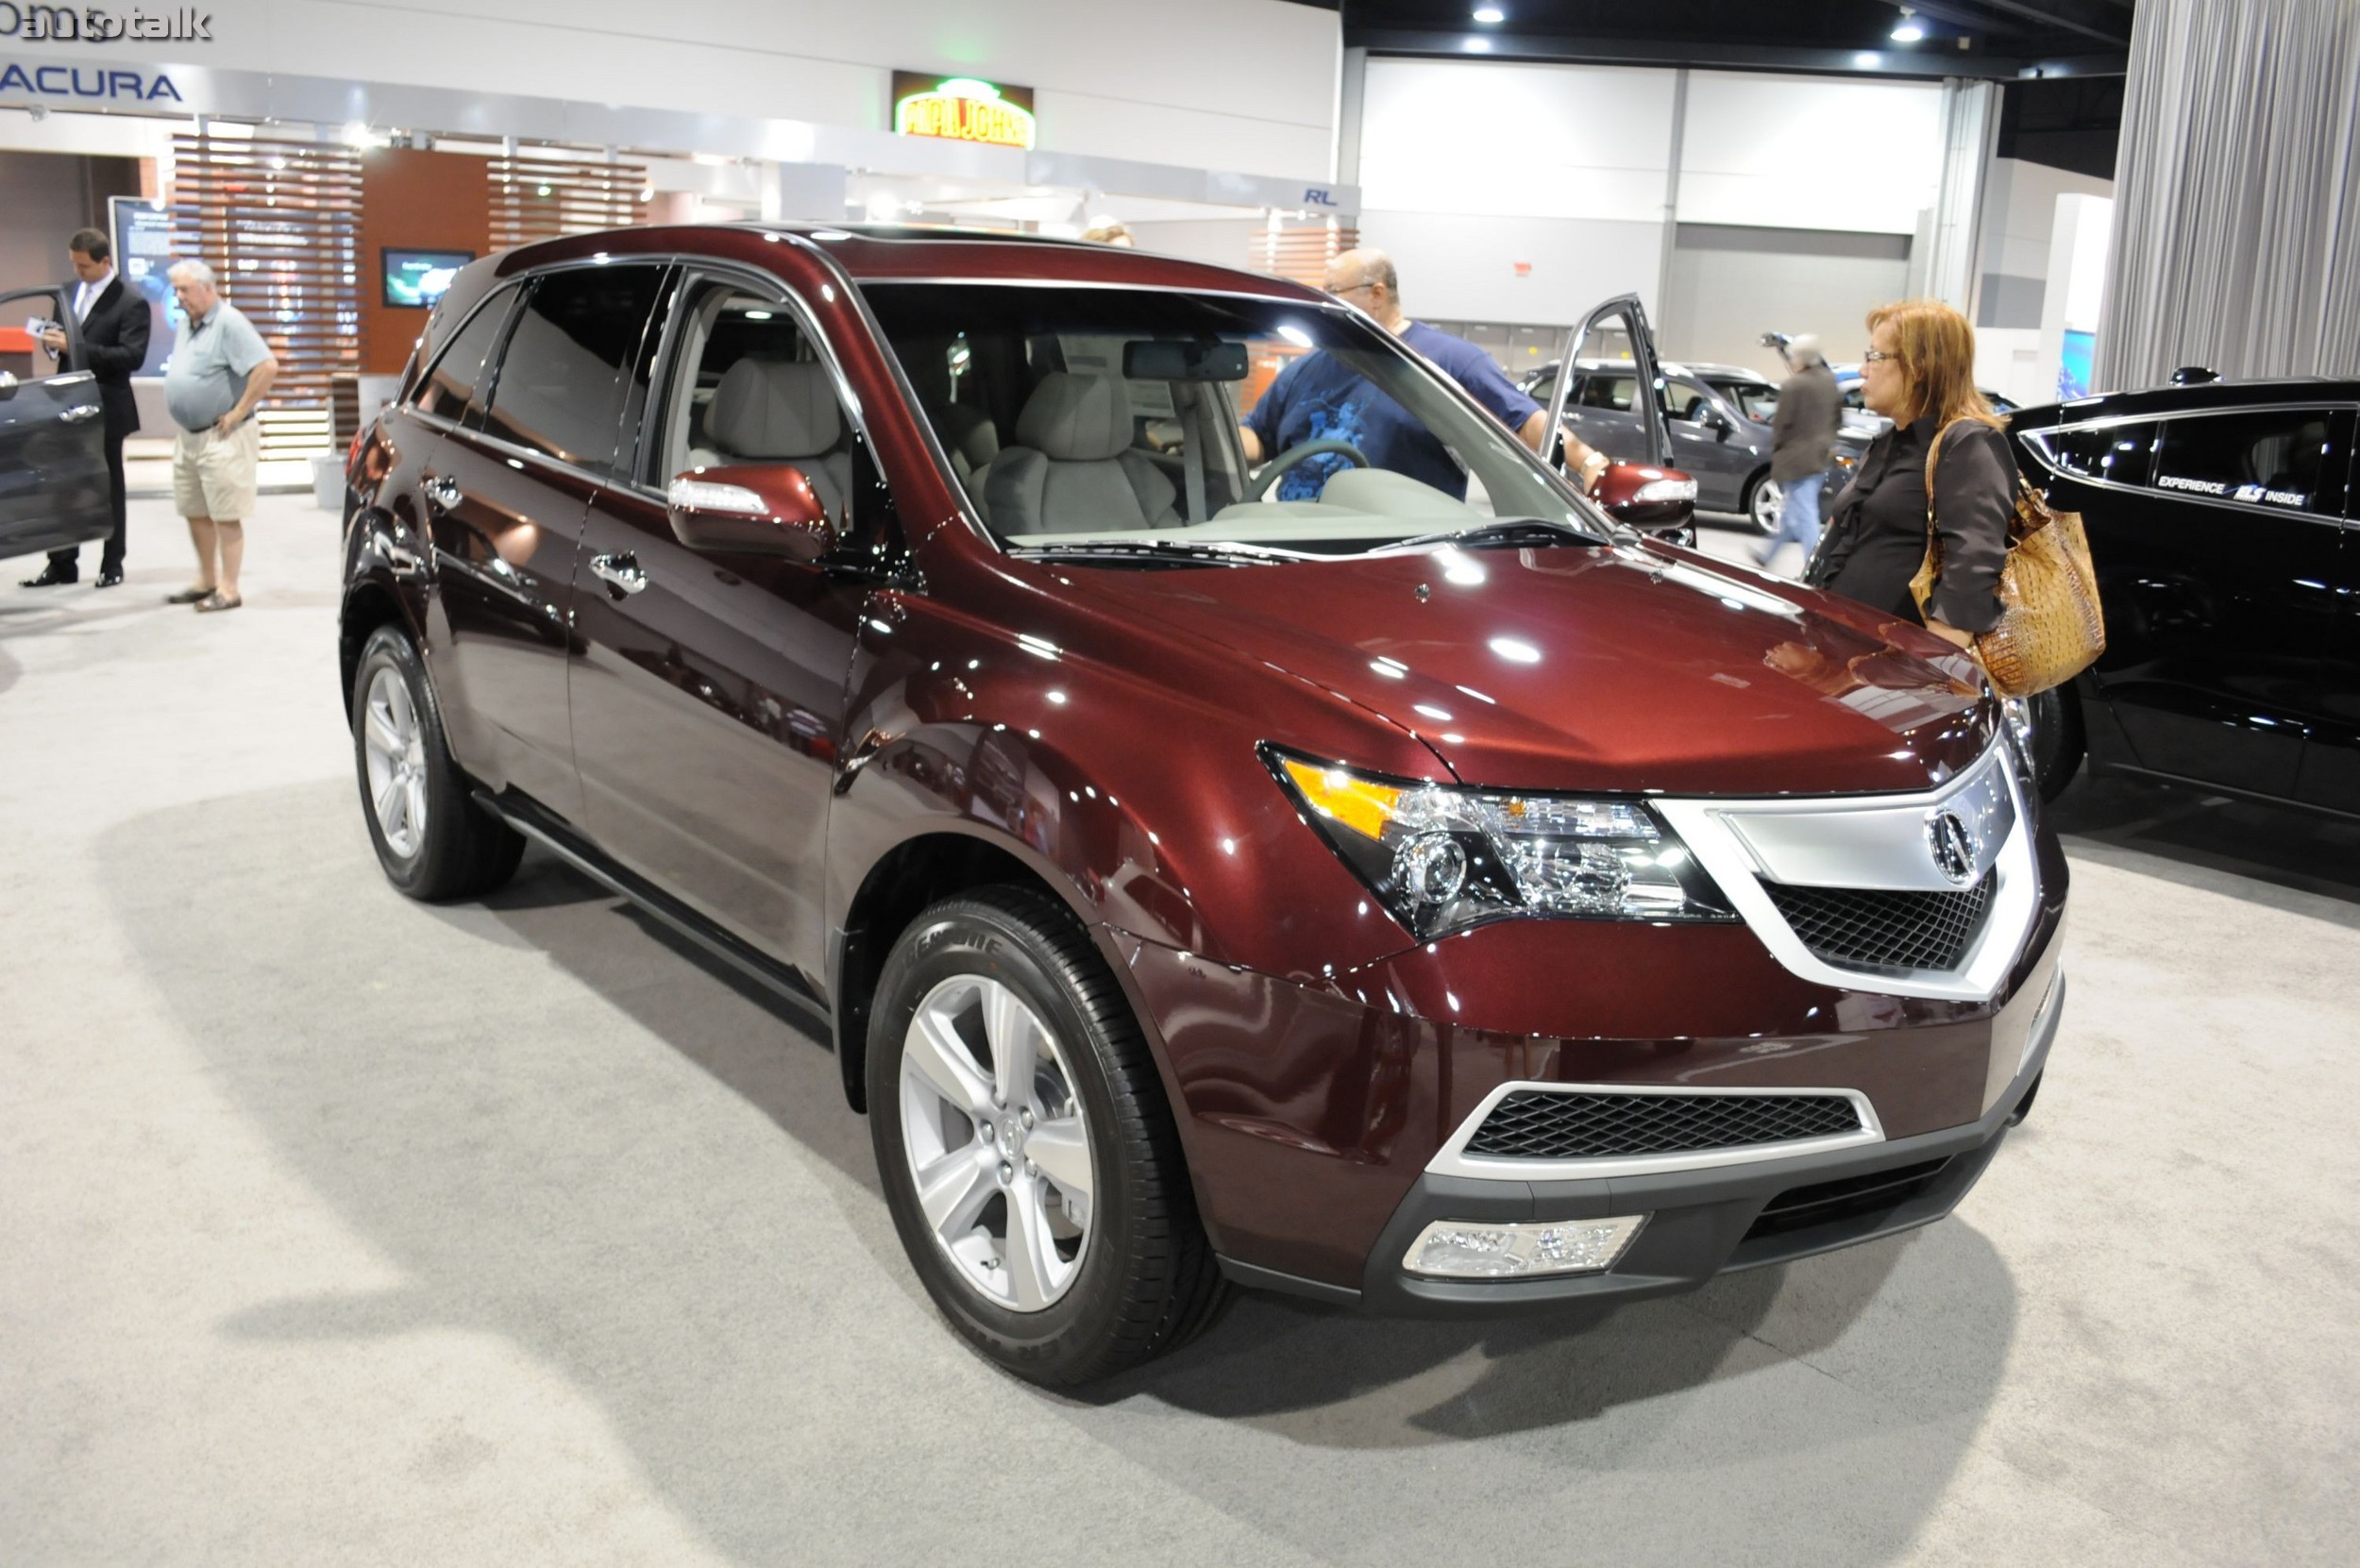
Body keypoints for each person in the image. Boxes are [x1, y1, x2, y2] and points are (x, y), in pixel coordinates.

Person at [1240, 247, 1608, 500]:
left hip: (1401, 558)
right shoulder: (1306, 368)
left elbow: (1527, 423)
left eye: (1333, 291)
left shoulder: (1449, 361)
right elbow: (1259, 437)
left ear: (1377, 294)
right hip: (1292, 549)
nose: (1323, 301)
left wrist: (1589, 463)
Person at [1806, 300, 2013, 649]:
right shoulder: (1888, 444)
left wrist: (1934, 669)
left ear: (1919, 367)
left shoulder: (1966, 445)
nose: (1862, 369)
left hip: (1893, 670)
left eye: (1875, 356)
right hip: (1841, 645)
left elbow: (1971, 568)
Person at [18, 228, 150, 589]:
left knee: (108, 487)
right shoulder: (68, 291)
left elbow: (131, 357)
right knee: (63, 484)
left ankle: (112, 562)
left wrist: (76, 344)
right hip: (65, 403)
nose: (78, 272)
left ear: (105, 262)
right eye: (74, 265)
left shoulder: (130, 301)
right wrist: (52, 344)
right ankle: (62, 563)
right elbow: (60, 342)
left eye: (85, 266)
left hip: (106, 404)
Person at [160, 259, 278, 614]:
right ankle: (206, 580)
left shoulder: (229, 322)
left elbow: (266, 367)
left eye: (184, 289)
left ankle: (229, 588)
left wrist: (239, 411)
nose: (178, 297)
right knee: (195, 511)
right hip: (190, 436)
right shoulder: (186, 325)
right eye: (176, 289)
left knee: (226, 513)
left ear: (208, 288)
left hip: (222, 435)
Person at [1756, 332, 1839, 568]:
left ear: (1800, 358)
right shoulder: (1829, 381)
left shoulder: (1793, 386)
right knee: (1794, 514)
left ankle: (1815, 567)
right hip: (1820, 456)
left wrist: (1777, 447)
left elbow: (1781, 424)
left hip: (1796, 459)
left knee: (1805, 514)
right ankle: (1768, 556)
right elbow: (1837, 418)